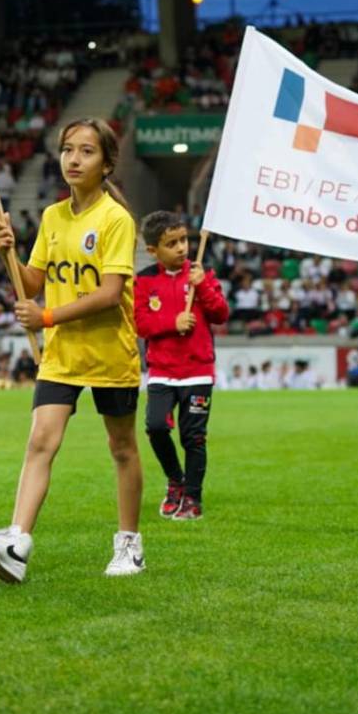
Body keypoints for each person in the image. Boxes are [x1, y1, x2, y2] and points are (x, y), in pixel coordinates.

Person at [0, 118, 145, 583]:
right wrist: (9, 253)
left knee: (122, 447)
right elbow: (32, 282)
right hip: (62, 354)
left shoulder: (115, 219)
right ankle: (17, 543)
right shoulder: (51, 216)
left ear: (106, 163)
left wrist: (45, 318)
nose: (74, 159)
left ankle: (130, 544)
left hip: (109, 352)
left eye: (86, 152)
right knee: (40, 441)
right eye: (68, 150)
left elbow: (109, 295)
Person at [134, 211, 229, 521]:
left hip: (198, 371)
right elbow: (139, 322)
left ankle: (193, 498)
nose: (181, 248)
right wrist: (172, 323)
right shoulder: (145, 280)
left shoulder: (204, 273)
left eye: (183, 240)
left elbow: (220, 314)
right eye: (171, 243)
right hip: (162, 372)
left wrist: (201, 287)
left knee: (194, 438)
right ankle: (176, 480)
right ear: (152, 250)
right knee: (156, 428)